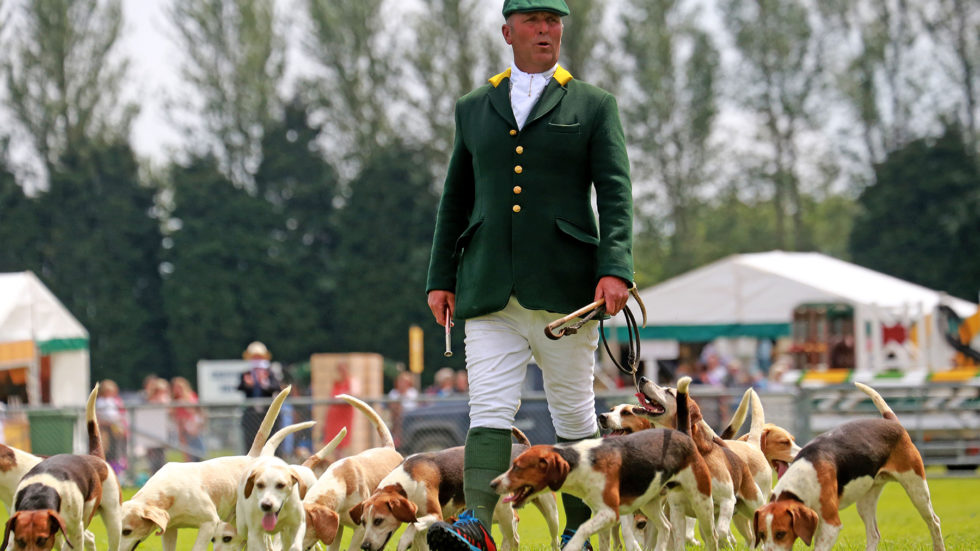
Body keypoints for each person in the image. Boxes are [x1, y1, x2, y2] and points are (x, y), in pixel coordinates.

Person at [424, 2, 634, 549]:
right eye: (534, 21)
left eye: (554, 21)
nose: (546, 30)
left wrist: (616, 267)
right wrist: (440, 276)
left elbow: (615, 192)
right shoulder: (473, 107)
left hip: (567, 289)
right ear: (508, 32)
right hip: (488, 284)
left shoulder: (594, 105)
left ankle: (579, 530)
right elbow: (456, 197)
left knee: (572, 414)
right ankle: (475, 527)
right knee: (488, 408)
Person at [237, 341, 281, 453]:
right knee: (250, 443)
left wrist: (264, 384)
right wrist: (248, 385)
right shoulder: (246, 373)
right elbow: (240, 387)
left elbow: (276, 388)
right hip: (251, 414)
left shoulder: (270, 372)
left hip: (268, 413)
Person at [95, 379, 129, 478]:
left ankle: (119, 473)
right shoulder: (99, 402)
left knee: (118, 452)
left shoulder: (116, 401)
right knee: (107, 452)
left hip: (116, 430)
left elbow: (122, 414)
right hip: (105, 430)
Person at [171, 376, 205, 461]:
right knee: (186, 453)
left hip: (192, 427)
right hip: (182, 428)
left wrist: (184, 402)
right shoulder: (175, 400)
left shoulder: (190, 396)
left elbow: (194, 410)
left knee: (196, 451)